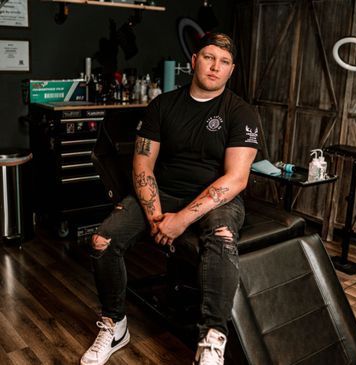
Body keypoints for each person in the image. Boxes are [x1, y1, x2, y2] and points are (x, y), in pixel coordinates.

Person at [80, 32, 260, 365]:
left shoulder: (241, 112)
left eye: (224, 62)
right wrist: (157, 219)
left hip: (216, 199)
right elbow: (142, 164)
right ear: (193, 60)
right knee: (103, 240)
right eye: (208, 57)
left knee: (221, 238)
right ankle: (115, 323)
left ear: (231, 70)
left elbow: (235, 178)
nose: (215, 67)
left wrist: (180, 221)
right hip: (164, 192)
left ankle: (211, 339)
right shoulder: (163, 105)